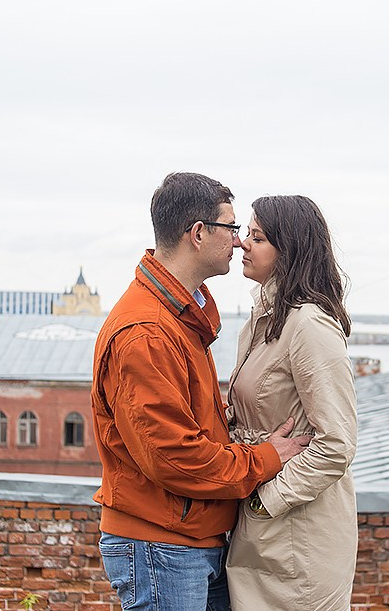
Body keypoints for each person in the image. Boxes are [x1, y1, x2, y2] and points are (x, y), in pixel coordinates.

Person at [91, 173, 311, 611]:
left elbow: (194, 422)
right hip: (162, 546)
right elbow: (174, 456)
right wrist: (267, 457)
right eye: (231, 229)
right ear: (198, 233)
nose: (238, 242)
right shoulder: (148, 332)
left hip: (189, 539)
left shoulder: (178, 317)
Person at [225, 195, 358, 610]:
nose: (243, 243)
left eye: (258, 237)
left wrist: (267, 502)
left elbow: (338, 443)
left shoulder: (309, 324)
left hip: (299, 534)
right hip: (259, 527)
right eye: (246, 233)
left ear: (290, 252)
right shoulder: (262, 319)